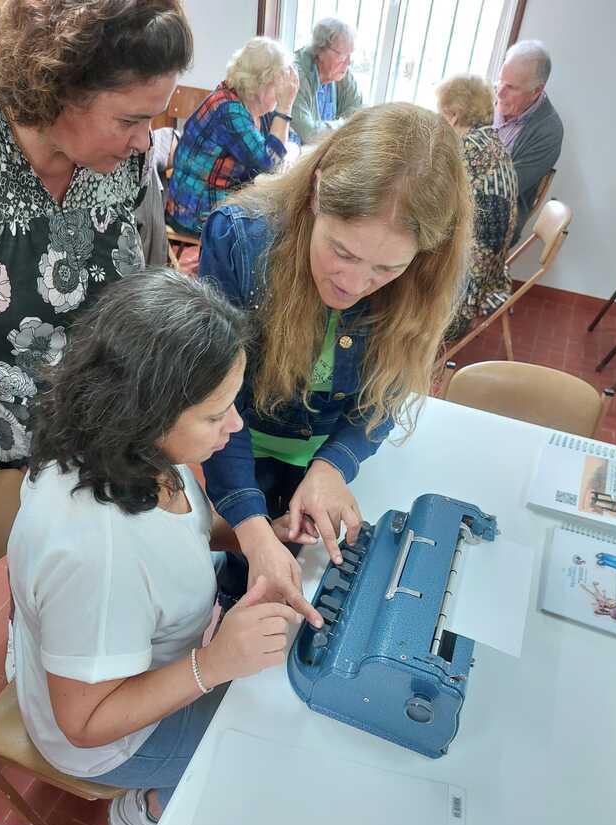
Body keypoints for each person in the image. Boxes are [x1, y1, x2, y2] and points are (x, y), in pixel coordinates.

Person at [8, 268, 302, 825]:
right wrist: (213, 665)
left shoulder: (124, 449)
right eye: (217, 416)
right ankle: (146, 812)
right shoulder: (98, 554)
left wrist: (259, 535)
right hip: (106, 735)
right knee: (264, 752)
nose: (236, 426)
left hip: (122, 650)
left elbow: (185, 532)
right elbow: (86, 723)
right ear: (147, 409)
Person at [0, 0, 193, 580]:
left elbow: (145, 281)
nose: (145, 142)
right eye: (130, 120)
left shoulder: (121, 153)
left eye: (154, 119)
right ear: (58, 84)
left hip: (111, 409)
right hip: (5, 413)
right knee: (44, 559)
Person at [199, 103, 472, 623]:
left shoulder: (430, 277)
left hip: (327, 446)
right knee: (246, 574)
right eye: (342, 252)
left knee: (309, 576)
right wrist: (252, 528)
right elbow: (216, 398)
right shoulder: (241, 239)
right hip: (239, 438)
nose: (354, 282)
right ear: (318, 191)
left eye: (386, 268)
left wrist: (333, 465)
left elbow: (389, 390)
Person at [165, 37, 298, 237]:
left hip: (222, 199)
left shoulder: (254, 106)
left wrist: (288, 148)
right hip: (195, 213)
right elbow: (268, 164)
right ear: (260, 85)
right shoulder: (228, 110)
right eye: (278, 88)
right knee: (277, 226)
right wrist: (285, 108)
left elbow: (290, 138)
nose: (281, 95)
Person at [436, 74, 518, 342]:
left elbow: (437, 214)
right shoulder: (492, 144)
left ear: (453, 117)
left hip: (461, 299)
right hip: (489, 280)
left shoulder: (468, 151)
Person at [494, 40, 563, 243]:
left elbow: (505, 187)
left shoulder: (548, 131)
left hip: (500, 216)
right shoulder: (487, 97)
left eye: (511, 87)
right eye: (500, 80)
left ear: (536, 91)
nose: (499, 93)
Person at [291, 17, 363, 145]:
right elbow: (309, 135)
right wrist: (346, 126)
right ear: (320, 50)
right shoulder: (295, 76)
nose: (348, 62)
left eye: (351, 55)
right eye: (343, 55)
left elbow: (361, 117)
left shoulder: (342, 74)